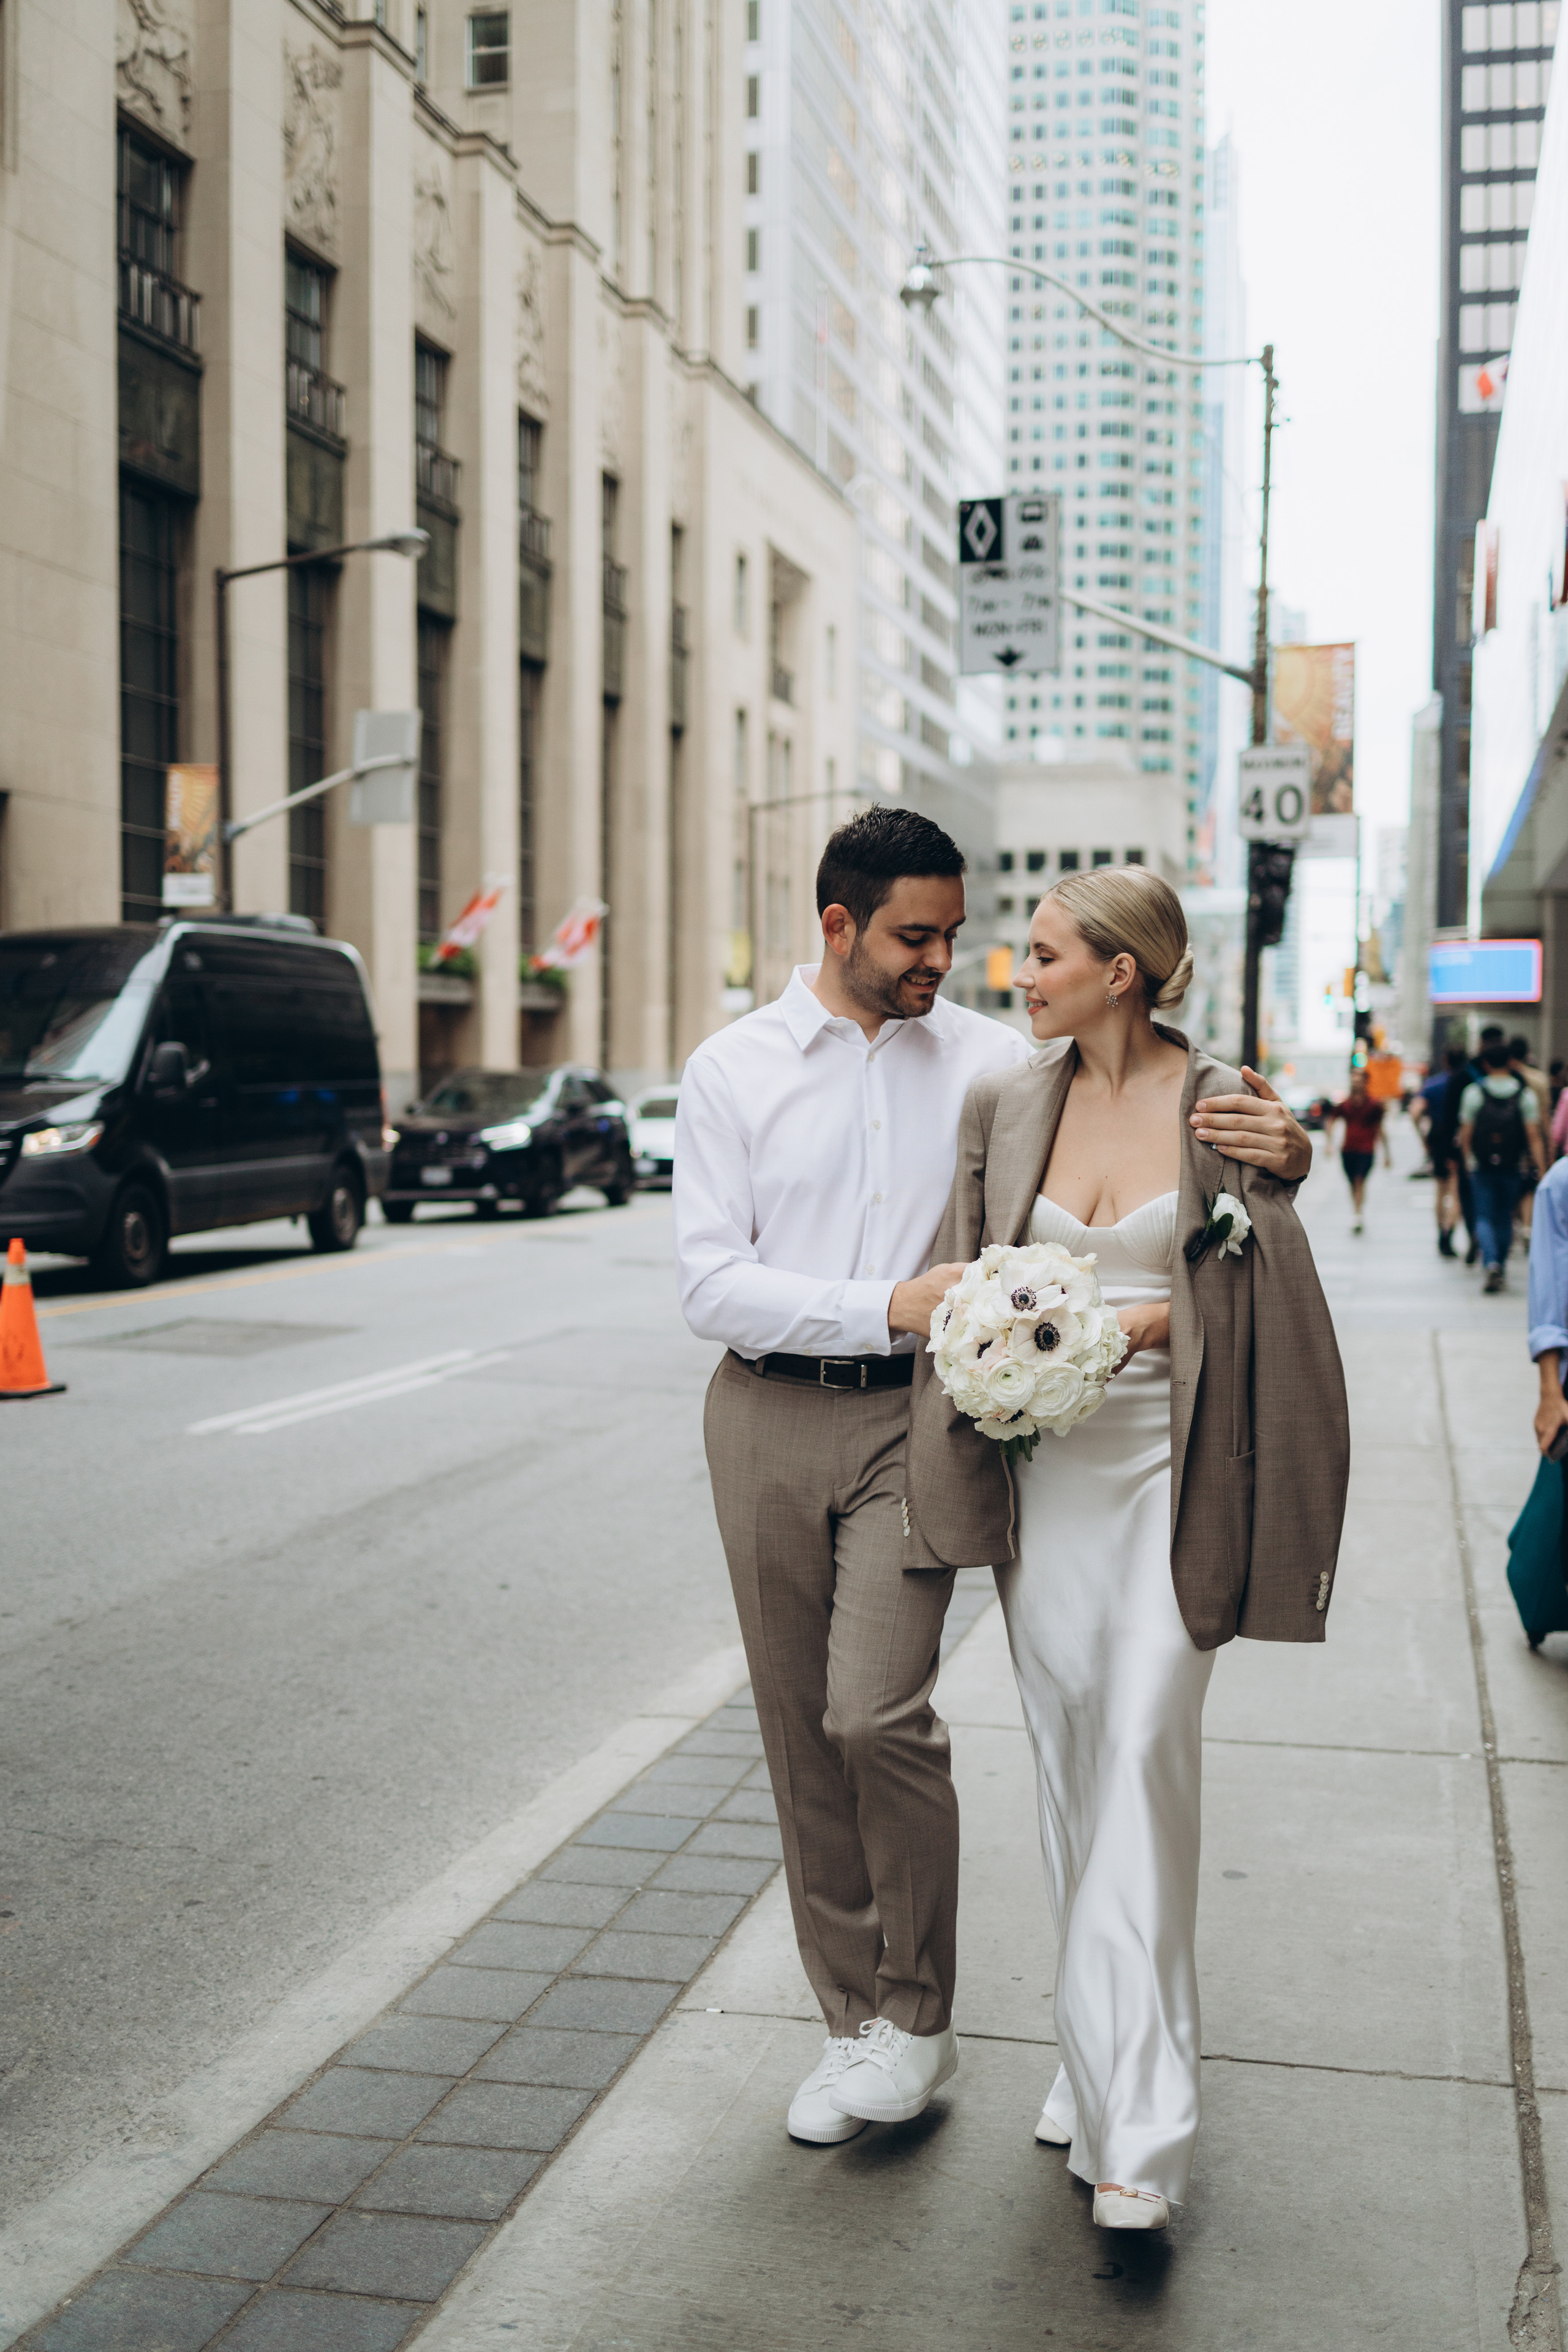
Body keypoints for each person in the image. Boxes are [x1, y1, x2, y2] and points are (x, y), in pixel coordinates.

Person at [673, 809, 1313, 2152]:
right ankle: (864, 2024)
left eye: (958, 936)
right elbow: (710, 1282)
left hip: (919, 1420)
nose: (948, 962)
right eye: (918, 936)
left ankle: (923, 2007)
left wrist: (1289, 1153)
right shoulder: (730, 1069)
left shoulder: (995, 1063)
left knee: (871, 1715)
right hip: (764, 1417)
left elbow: (1155, 1101)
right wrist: (882, 1301)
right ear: (838, 925)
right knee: (799, 1734)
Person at [906, 866, 1344, 2232]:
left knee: (1145, 1749)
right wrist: (979, 1341)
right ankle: (1090, 2054)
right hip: (1046, 1482)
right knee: (1074, 1772)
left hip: (1177, 1473)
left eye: (1041, 954)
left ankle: (1139, 2137)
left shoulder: (1217, 1099)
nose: (1018, 975)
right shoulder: (1003, 1101)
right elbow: (965, 1270)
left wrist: (1285, 1168)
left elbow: (1269, 1250)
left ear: (1121, 969)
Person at [1457, 1038, 1547, 1292]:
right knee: (1505, 1216)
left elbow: (1466, 1134)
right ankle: (1501, 1265)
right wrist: (1541, 1168)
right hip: (1512, 1165)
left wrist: (1467, 1161)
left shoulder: (1474, 1093)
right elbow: (1533, 1136)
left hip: (1482, 1165)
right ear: (1510, 1062)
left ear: (1485, 1064)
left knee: (1483, 1216)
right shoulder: (1524, 1095)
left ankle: (1491, 1264)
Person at [1417, 1047, 1473, 1259]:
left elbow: (1415, 1112)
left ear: (1445, 1060)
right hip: (1460, 1138)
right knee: (1456, 1191)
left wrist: (1424, 1139)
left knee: (1441, 1190)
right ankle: (1450, 1232)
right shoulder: (1469, 1083)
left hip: (1439, 1138)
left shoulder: (1434, 1084)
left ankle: (1441, 1231)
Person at [1327, 1066, 1392, 1234]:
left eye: (1359, 1080)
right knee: (1352, 1183)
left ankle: (1358, 1214)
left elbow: (1380, 1129)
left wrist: (1387, 1154)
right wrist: (1329, 1143)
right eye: (1354, 1080)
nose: (1356, 1083)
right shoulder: (1345, 1104)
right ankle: (1356, 1210)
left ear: (1366, 1082)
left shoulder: (1374, 1105)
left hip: (1367, 1149)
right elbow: (1332, 1121)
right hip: (1348, 1149)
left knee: (1359, 1181)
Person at [1510, 1036, 1551, 1232]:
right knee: (1529, 1185)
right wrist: (1548, 1148)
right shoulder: (1539, 1079)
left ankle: (1514, 1226)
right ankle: (1527, 1226)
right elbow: (1545, 1118)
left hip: (1510, 1140)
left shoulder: (1507, 1078)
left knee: (1512, 1183)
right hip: (1532, 1139)